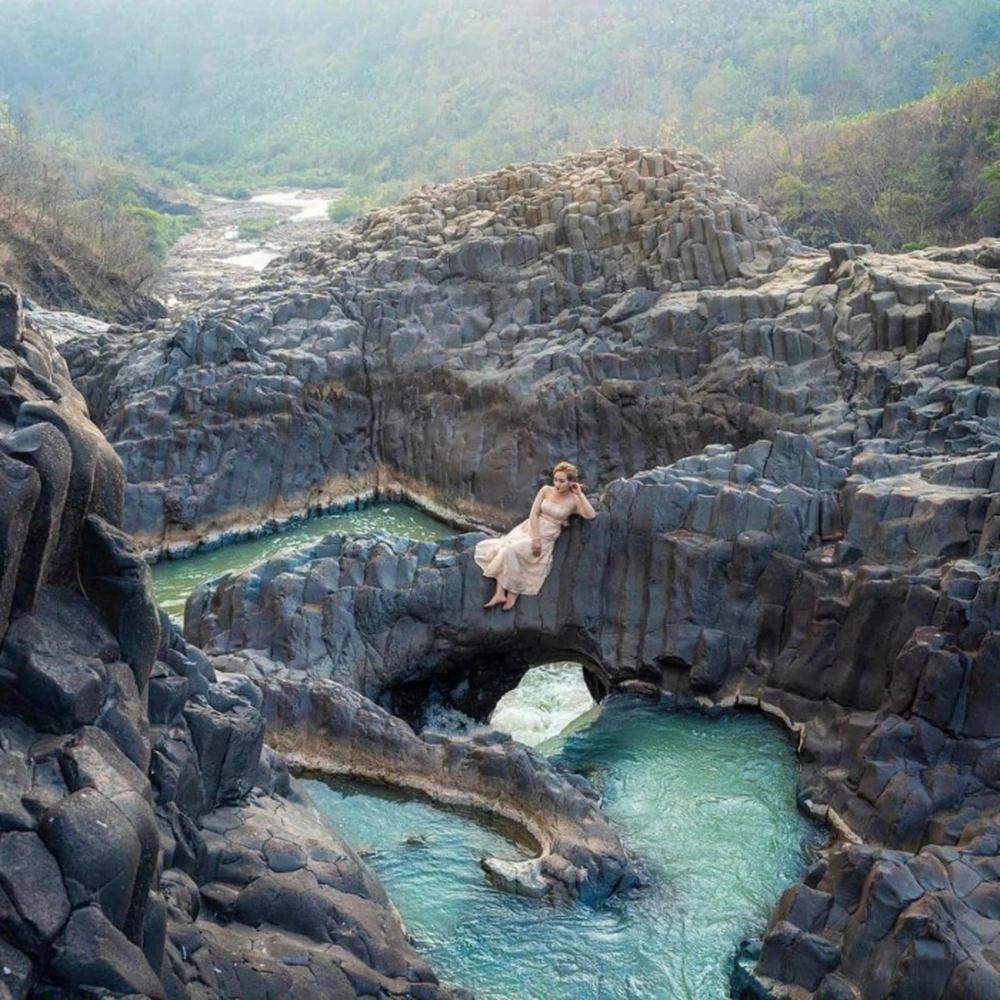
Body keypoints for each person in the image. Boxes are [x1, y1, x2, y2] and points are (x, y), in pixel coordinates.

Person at [475, 461, 597, 611]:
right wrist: (536, 538)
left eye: (561, 481)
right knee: (506, 550)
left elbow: (590, 515)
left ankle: (511, 593)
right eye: (555, 480)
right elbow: (533, 513)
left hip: (548, 536)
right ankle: (501, 593)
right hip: (530, 529)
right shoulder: (546, 490)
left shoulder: (574, 501)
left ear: (571, 481)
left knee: (509, 552)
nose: (557, 484)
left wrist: (579, 493)